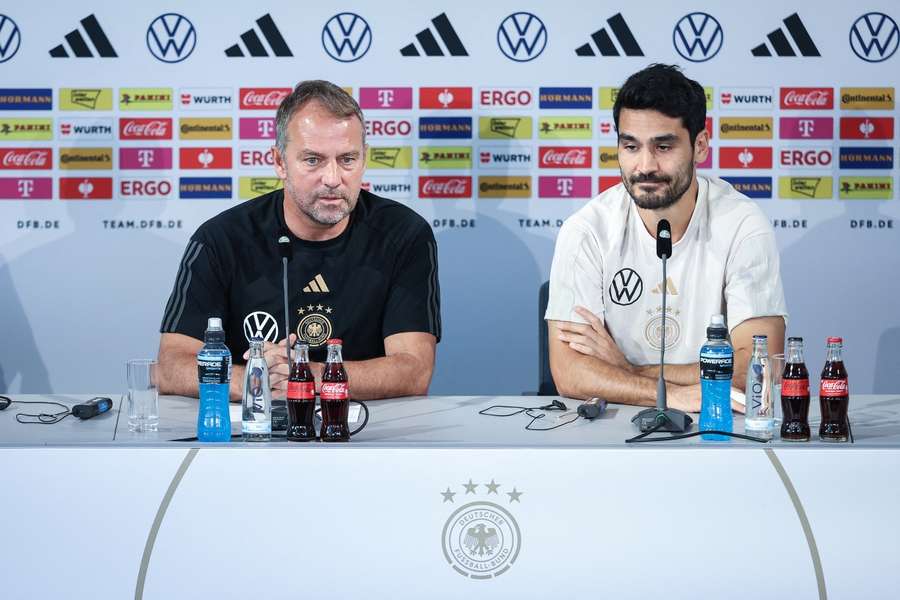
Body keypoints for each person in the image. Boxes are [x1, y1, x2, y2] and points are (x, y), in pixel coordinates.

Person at [157, 80, 440, 401]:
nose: (333, 179)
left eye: (347, 159)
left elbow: (414, 370)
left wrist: (309, 375)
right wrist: (253, 378)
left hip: (365, 432)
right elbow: (170, 366)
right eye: (312, 160)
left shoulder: (403, 234)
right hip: (250, 430)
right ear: (279, 162)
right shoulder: (220, 238)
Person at [545, 64, 786, 412]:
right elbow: (569, 373)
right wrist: (671, 394)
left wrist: (628, 371)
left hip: (717, 423)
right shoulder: (586, 230)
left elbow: (757, 367)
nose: (645, 166)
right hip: (615, 427)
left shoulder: (742, 225)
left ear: (700, 146)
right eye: (630, 146)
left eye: (663, 147)